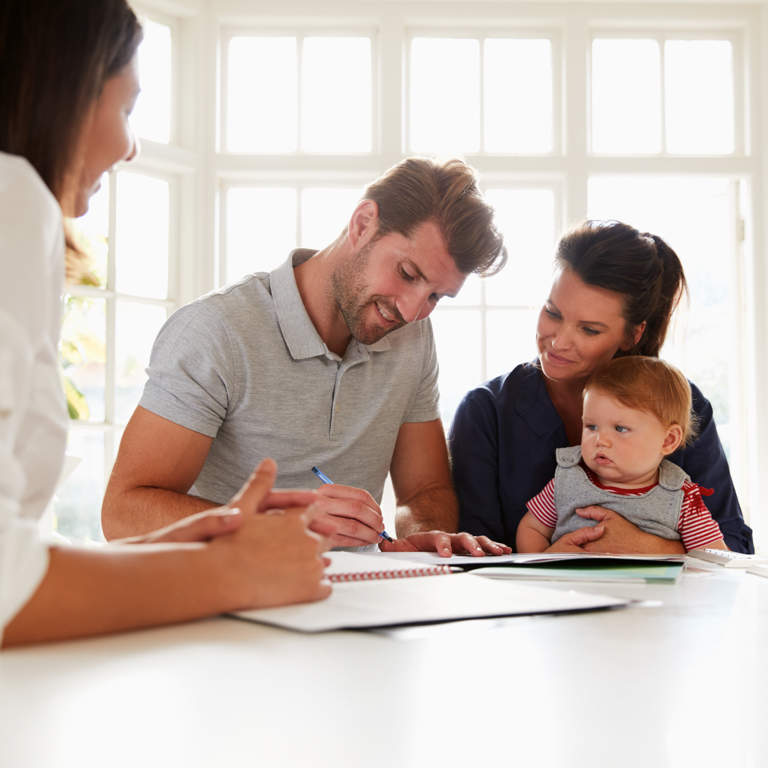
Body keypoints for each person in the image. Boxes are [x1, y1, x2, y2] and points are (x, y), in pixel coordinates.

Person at [0, 0, 336, 648]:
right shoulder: (14, 198)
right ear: (60, 89)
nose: (128, 148)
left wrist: (168, 554)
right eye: (125, 109)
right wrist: (229, 571)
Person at [101, 158, 512, 558]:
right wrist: (277, 524)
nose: (411, 311)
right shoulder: (216, 330)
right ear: (363, 223)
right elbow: (123, 513)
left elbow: (424, 491)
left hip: (352, 601)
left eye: (436, 296)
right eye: (407, 273)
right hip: (222, 598)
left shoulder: (413, 337)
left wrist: (422, 537)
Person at [450, 220, 754, 554]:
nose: (559, 342)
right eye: (552, 312)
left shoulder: (681, 406)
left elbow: (733, 551)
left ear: (632, 334)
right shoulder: (486, 411)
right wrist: (548, 562)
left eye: (590, 330)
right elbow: (474, 556)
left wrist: (645, 546)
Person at [516, 356, 727, 553]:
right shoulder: (568, 479)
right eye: (591, 426)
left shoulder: (682, 498)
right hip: (571, 589)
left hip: (649, 592)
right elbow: (531, 528)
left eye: (620, 429)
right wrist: (546, 560)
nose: (600, 440)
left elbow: (713, 557)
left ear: (668, 440)